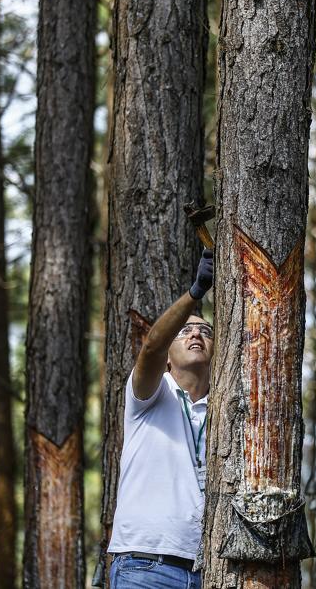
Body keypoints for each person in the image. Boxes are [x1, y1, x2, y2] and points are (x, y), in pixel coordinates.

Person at [107, 249, 215, 588]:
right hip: (144, 566)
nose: (196, 334)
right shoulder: (150, 394)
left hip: (208, 572)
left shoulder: (224, 410)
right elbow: (151, 346)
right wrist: (196, 293)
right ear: (169, 357)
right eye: (185, 331)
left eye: (206, 331)